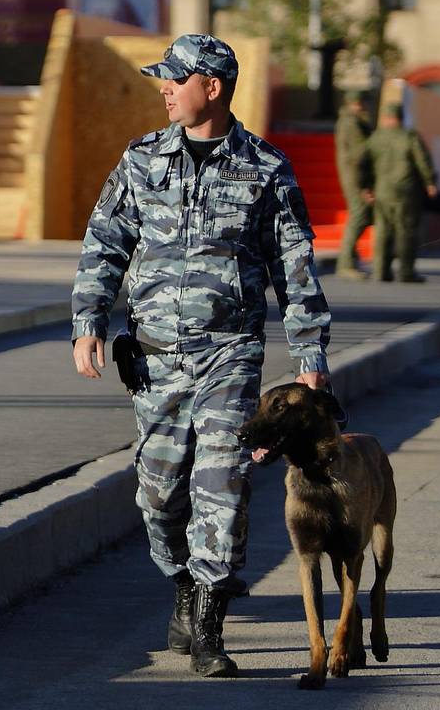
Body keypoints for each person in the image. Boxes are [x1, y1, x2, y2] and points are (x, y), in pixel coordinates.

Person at [70, 34, 331, 678]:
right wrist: (88, 320)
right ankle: (184, 586)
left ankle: (210, 620)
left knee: (222, 483)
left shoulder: (265, 169)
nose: (163, 88)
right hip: (154, 358)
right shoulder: (141, 160)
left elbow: (293, 266)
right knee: (159, 494)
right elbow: (104, 242)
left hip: (230, 354)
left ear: (210, 87)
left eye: (175, 79)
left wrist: (309, 351)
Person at [360, 103, 439, 282]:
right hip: (406, 192)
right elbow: (422, 160)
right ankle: (405, 272)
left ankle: (380, 271)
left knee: (382, 231)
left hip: (382, 191)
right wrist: (430, 182)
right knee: (406, 231)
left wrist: (365, 187)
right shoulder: (409, 136)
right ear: (401, 117)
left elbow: (363, 163)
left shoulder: (376, 138)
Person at [333, 89, 373, 279]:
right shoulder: (351, 123)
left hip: (354, 174)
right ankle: (346, 263)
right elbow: (360, 153)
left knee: (360, 214)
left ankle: (351, 257)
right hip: (355, 175)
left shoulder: (351, 122)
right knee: (359, 215)